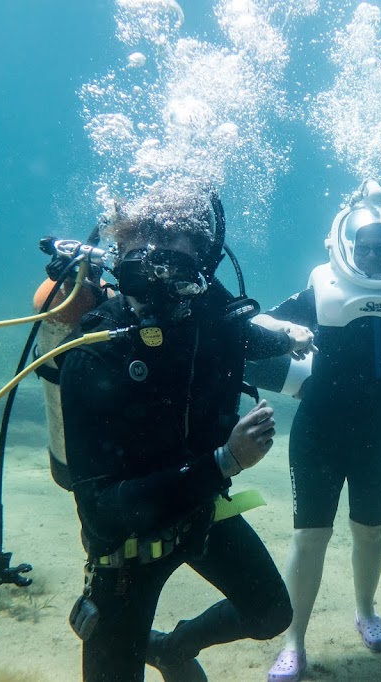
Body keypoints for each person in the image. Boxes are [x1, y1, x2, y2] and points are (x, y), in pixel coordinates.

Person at [58, 187, 314, 682]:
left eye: (186, 241)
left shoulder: (204, 302)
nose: (168, 258)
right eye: (155, 236)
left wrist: (287, 336)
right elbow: (102, 509)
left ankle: (172, 648)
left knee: (270, 613)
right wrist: (226, 461)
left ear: (206, 252)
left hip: (198, 514)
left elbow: (240, 336)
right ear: (126, 246)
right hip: (125, 550)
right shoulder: (94, 350)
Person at [257, 181, 381, 682]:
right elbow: (257, 324)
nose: (372, 256)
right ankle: (294, 640)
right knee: (311, 536)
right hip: (320, 429)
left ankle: (366, 612)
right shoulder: (320, 291)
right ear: (348, 248)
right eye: (364, 248)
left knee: (370, 531)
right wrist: (288, 332)